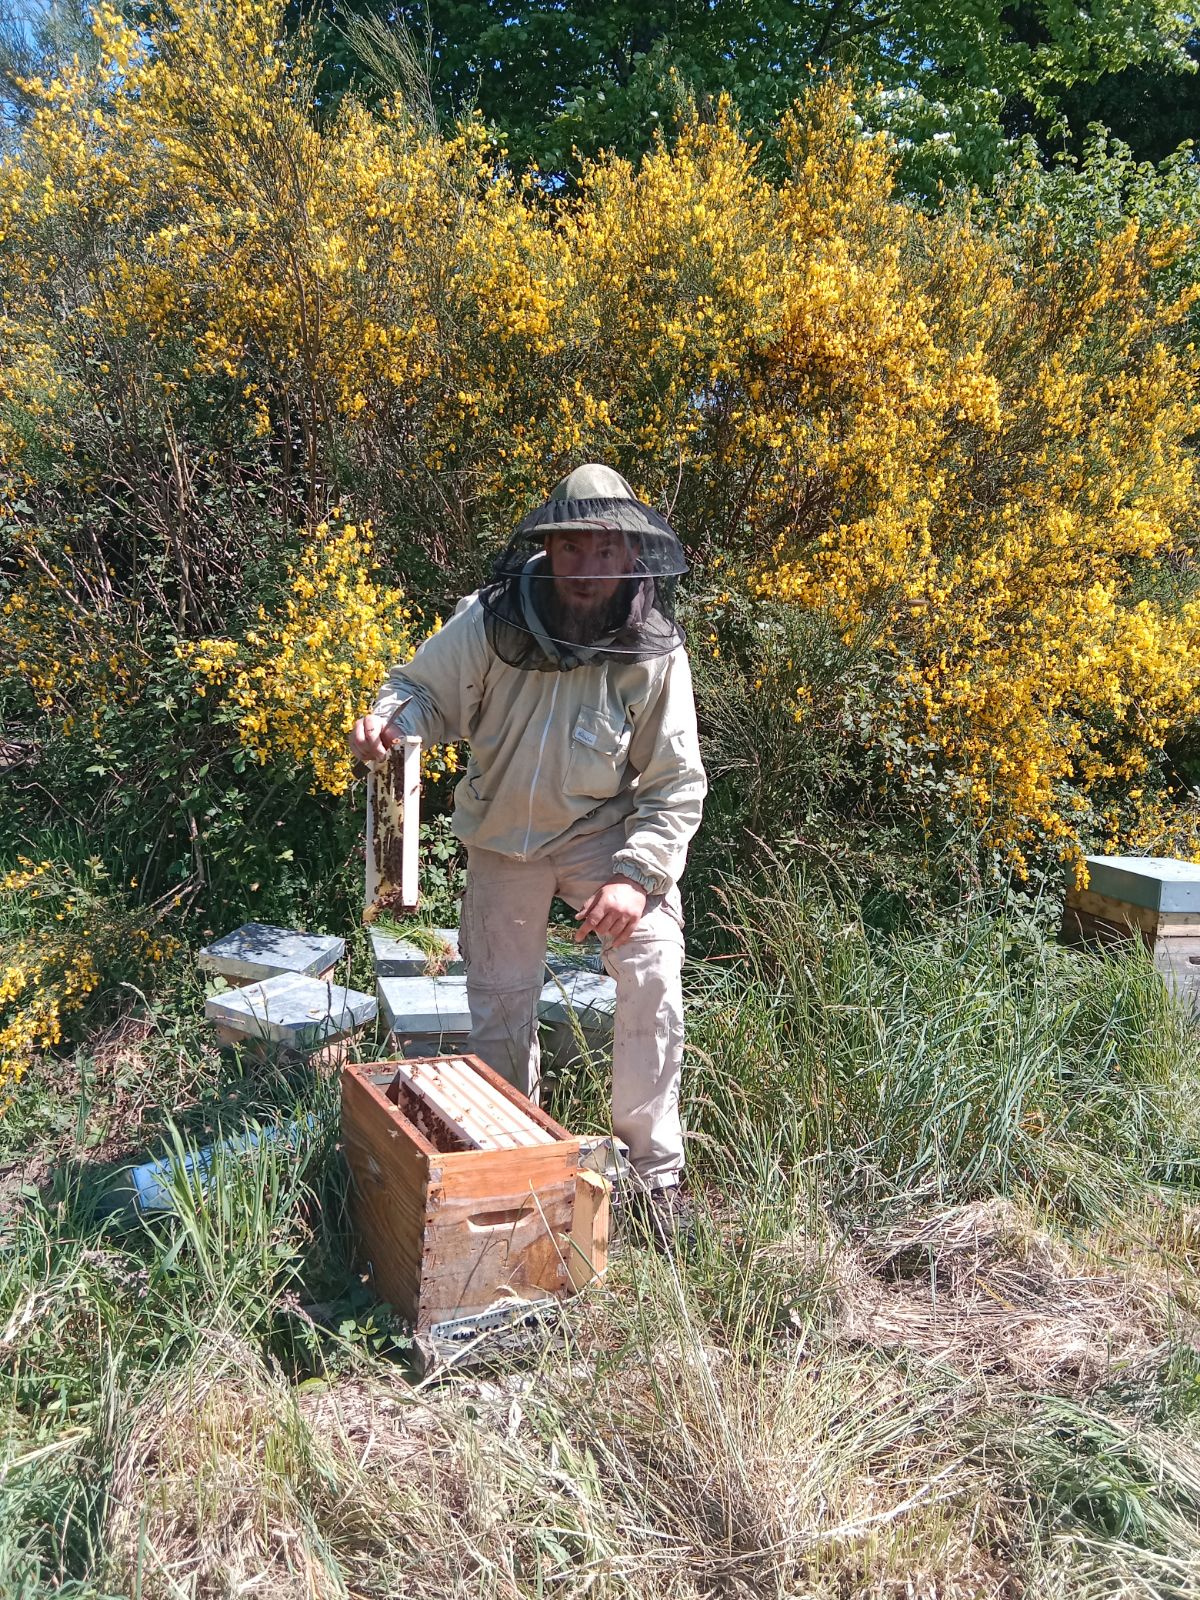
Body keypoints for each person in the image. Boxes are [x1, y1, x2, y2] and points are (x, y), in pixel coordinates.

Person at [348, 463, 706, 1243]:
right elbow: (421, 691)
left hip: (605, 840)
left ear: (631, 555)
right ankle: (510, 1154)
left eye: (605, 549)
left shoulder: (653, 651)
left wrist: (638, 877)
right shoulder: (490, 620)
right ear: (547, 548)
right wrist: (390, 724)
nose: (587, 567)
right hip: (504, 836)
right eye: (571, 547)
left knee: (652, 972)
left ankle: (654, 1175)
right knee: (501, 1003)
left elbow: (676, 783)